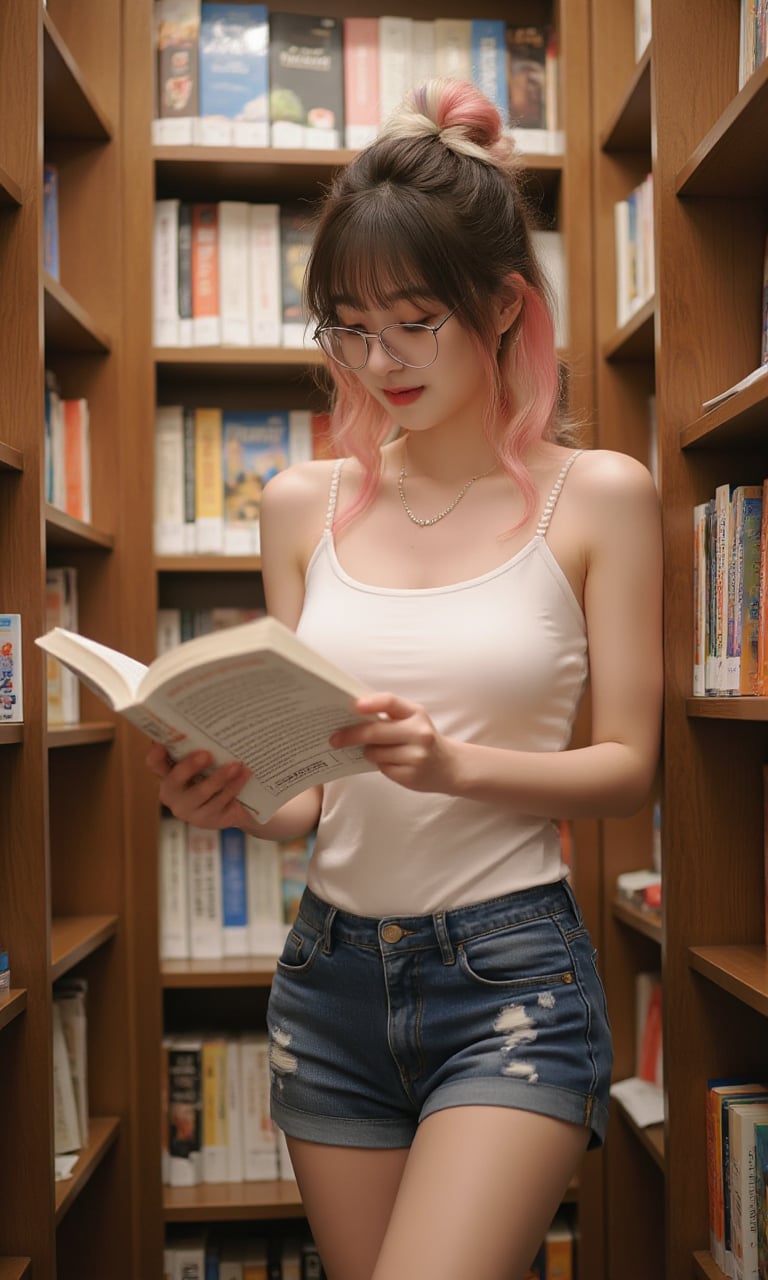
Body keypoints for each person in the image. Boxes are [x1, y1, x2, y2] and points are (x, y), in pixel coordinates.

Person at [147, 77, 663, 1280]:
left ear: (502, 308)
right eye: (345, 328)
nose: (377, 362)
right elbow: (308, 793)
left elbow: (629, 769)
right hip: (327, 979)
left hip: (510, 978)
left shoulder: (598, 497)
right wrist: (223, 795)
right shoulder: (300, 506)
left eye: (413, 323)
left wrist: (455, 763)